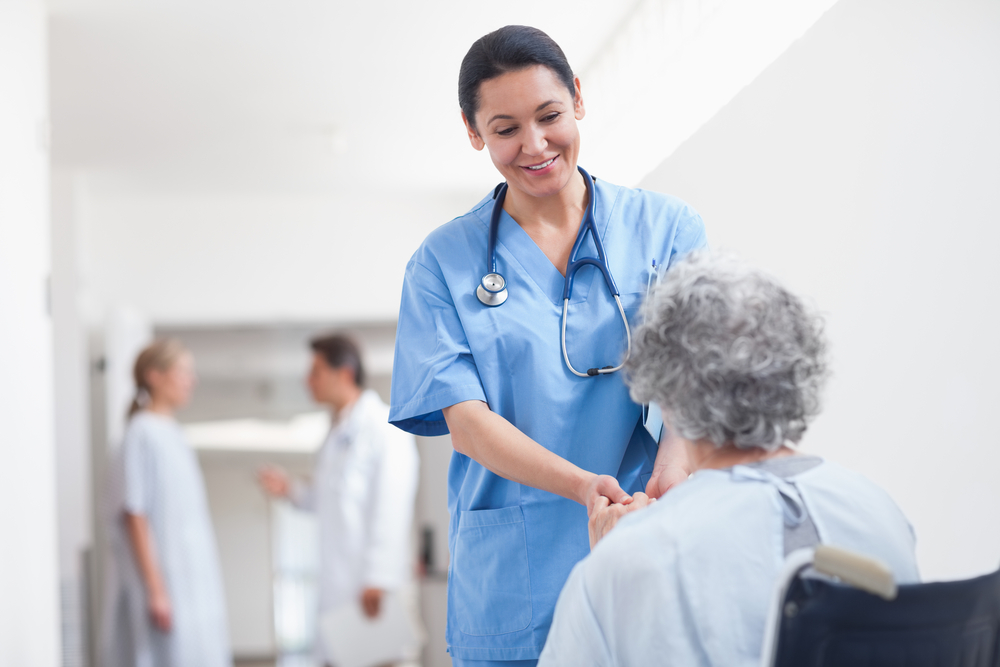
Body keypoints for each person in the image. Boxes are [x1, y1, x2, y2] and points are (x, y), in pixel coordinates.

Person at [388, 25, 707, 666]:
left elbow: (692, 385)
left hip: (634, 531)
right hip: (512, 577)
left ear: (578, 100)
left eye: (549, 115)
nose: (534, 145)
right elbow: (469, 426)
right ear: (474, 132)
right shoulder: (441, 264)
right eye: (504, 128)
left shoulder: (667, 229)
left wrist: (666, 489)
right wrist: (586, 486)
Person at [538, 251, 921, 666]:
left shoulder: (634, 558)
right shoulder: (880, 511)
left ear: (665, 388)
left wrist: (612, 560)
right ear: (799, 369)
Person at [258, 334, 421, 666]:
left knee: (373, 659)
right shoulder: (334, 436)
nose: (308, 381)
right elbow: (328, 503)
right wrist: (290, 489)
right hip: (339, 585)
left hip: (370, 587)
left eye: (316, 371)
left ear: (344, 374)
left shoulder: (382, 427)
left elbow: (391, 506)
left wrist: (378, 577)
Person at [103, 338, 231, 667]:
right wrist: (156, 588)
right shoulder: (141, 433)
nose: (192, 380)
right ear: (154, 376)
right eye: (183, 372)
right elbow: (135, 513)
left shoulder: (173, 433)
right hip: (167, 582)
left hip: (192, 577)